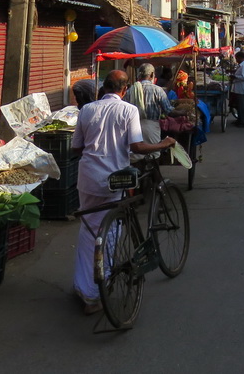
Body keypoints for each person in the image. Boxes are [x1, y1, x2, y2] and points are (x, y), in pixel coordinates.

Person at [71, 69, 175, 314]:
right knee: (110, 233)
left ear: (104, 87)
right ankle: (97, 292)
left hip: (87, 179)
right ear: (124, 89)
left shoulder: (87, 110)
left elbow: (77, 147)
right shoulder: (128, 110)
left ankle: (84, 287)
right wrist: (163, 144)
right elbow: (137, 146)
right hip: (113, 180)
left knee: (89, 231)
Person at [126, 62, 172, 144]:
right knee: (153, 153)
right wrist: (183, 112)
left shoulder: (130, 90)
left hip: (133, 128)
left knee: (135, 154)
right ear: (151, 75)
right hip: (151, 128)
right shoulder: (158, 90)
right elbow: (168, 110)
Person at [229, 50, 244, 127]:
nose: (236, 60)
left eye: (237, 58)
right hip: (238, 88)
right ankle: (240, 120)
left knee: (242, 106)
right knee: (239, 106)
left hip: (242, 89)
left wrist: (234, 77)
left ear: (240, 58)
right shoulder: (241, 65)